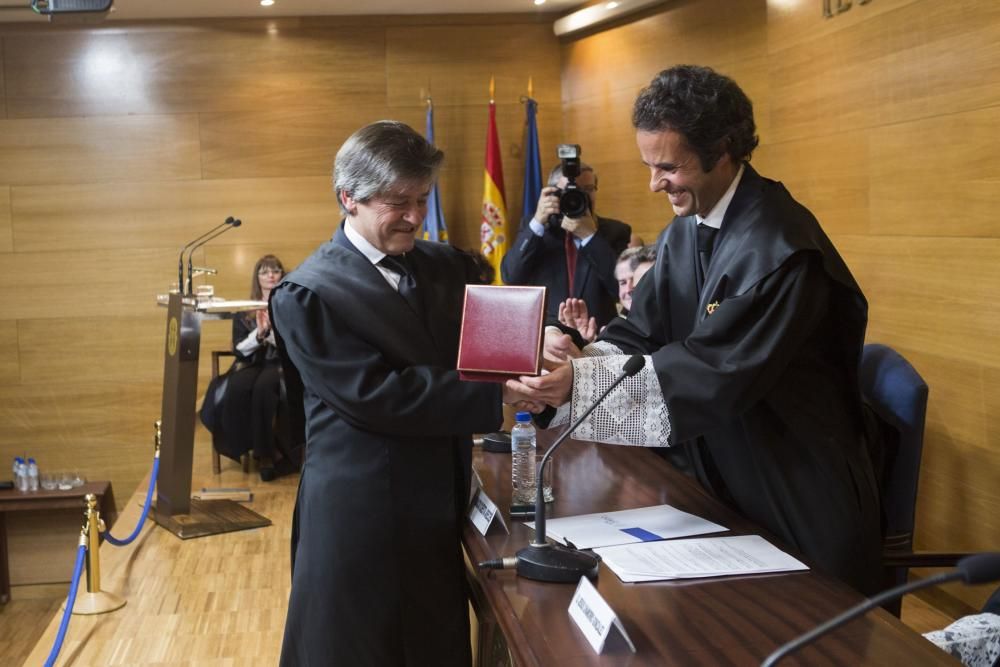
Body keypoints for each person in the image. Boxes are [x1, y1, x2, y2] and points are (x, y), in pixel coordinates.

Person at [508, 65, 883, 595]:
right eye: (649, 165)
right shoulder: (688, 227)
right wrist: (575, 360)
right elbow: (640, 331)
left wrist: (579, 385)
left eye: (668, 167)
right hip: (721, 483)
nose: (654, 183)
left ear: (723, 149)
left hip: (795, 495)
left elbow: (713, 372)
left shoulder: (779, 248)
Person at [269, 120, 537, 666]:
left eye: (421, 199)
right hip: (360, 514)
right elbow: (378, 395)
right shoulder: (306, 294)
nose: (416, 217)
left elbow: (495, 331)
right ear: (350, 198)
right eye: (398, 202)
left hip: (437, 503)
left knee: (433, 644)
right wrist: (499, 395)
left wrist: (543, 338)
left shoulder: (442, 265)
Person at [500, 160, 631, 328]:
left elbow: (620, 290)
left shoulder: (615, 231)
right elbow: (511, 277)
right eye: (571, 191)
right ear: (551, 194)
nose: (580, 196)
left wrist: (591, 237)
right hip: (547, 335)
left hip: (599, 336)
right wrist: (537, 222)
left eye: (588, 189)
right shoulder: (535, 230)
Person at [201, 254, 295, 482]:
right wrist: (259, 333)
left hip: (280, 362)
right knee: (237, 386)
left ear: (282, 274)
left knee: (264, 388)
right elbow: (240, 349)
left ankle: (266, 455)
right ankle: (244, 445)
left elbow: (294, 344)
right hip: (252, 361)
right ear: (257, 278)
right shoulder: (245, 310)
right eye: (264, 272)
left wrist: (272, 334)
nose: (270, 275)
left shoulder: (291, 303)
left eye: (275, 270)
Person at [559, 244, 657, 342]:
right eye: (622, 282)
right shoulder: (612, 329)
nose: (628, 289)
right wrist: (583, 342)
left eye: (636, 279)